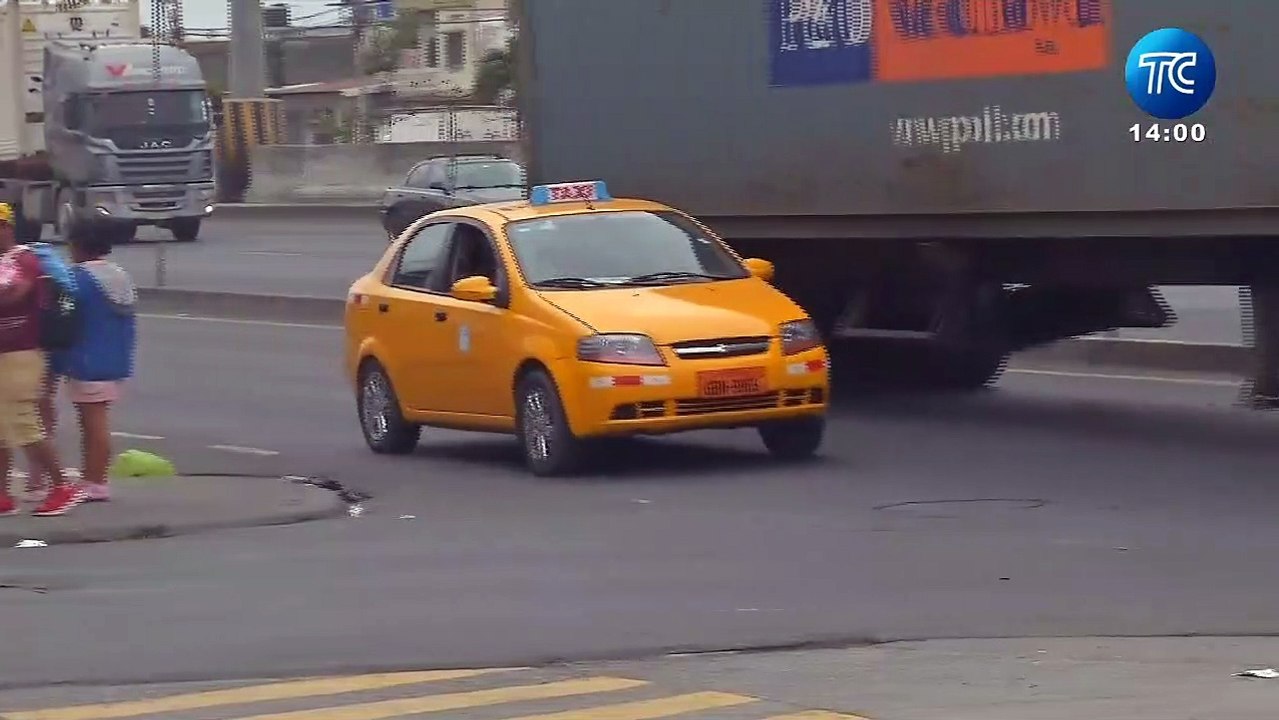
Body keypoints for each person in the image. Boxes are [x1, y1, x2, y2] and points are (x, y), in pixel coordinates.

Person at [0, 202, 79, 516]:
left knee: (24, 423)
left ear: (6, 227)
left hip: (21, 352)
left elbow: (16, 294)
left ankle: (62, 487)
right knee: (1, 429)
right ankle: (2, 495)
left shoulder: (25, 260)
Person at [48, 229, 137, 502]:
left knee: (93, 423)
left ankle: (96, 482)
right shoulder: (119, 275)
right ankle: (92, 478)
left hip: (86, 359)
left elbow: (62, 319)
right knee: (95, 419)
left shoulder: (76, 279)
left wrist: (56, 361)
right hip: (116, 357)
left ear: (77, 246)